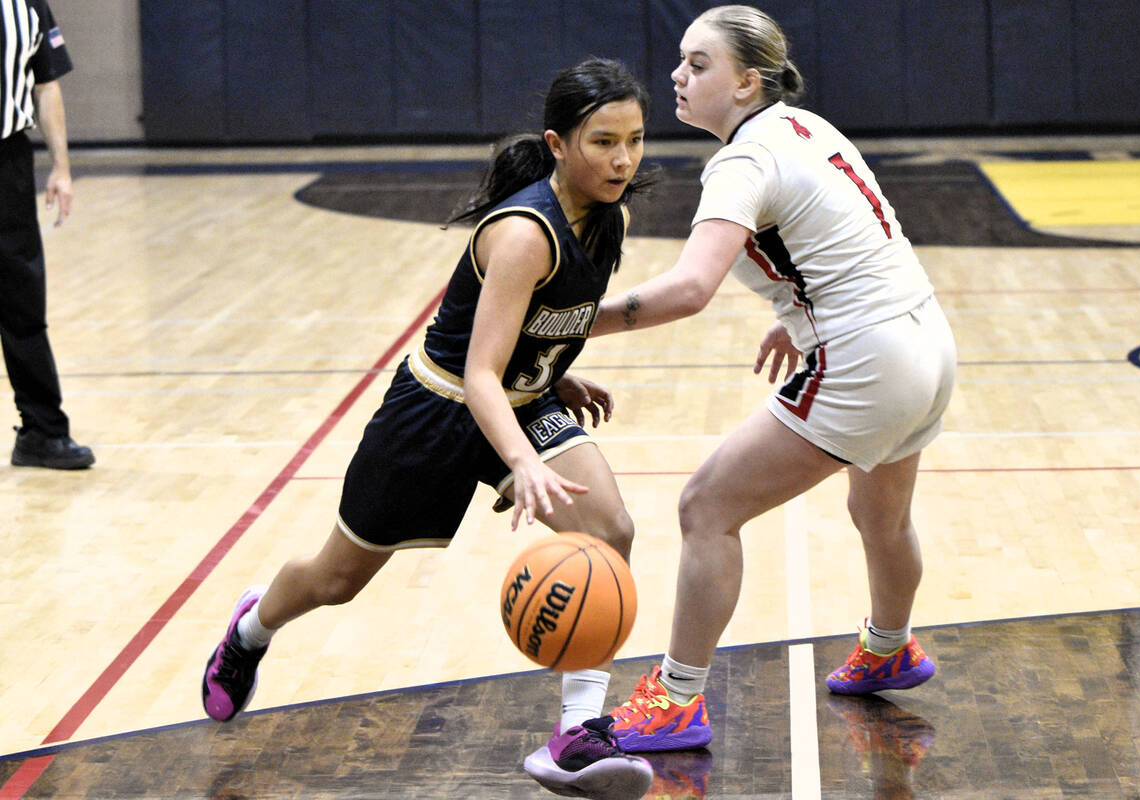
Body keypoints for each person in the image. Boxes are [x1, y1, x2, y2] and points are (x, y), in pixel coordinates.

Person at [200, 57, 655, 800]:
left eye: (635, 140)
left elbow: (532, 330)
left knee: (611, 530)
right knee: (335, 580)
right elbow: (479, 372)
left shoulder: (611, 216)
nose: (624, 159)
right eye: (605, 142)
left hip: (522, 400)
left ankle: (576, 733)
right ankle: (251, 629)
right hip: (438, 411)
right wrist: (524, 461)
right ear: (557, 144)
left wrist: (554, 368)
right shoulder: (523, 233)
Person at [587, 5, 957, 752]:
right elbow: (849, 237)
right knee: (881, 516)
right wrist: (797, 313)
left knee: (705, 508)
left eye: (698, 64)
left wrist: (564, 319)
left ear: (747, 82)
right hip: (928, 344)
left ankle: (676, 698)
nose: (676, 76)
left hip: (866, 360)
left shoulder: (743, 160)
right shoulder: (808, 127)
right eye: (680, 61)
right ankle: (890, 646)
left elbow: (690, 289)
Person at [1, 0, 94, 469]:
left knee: (22, 303)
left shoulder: (28, 4)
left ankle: (42, 431)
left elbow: (46, 83)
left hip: (8, 163)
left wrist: (62, 166)